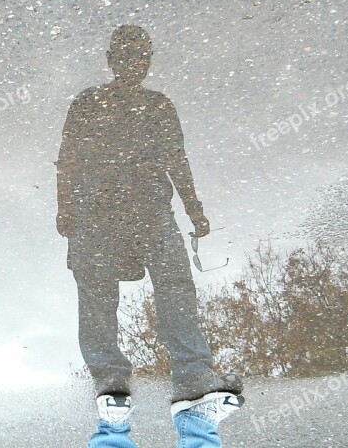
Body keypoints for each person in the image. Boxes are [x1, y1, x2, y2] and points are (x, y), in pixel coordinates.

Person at [55, 25, 244, 447]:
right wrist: (66, 209)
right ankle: (165, 380)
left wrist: (66, 211)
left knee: (114, 294)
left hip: (119, 211)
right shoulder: (130, 104)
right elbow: (69, 159)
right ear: (114, 60)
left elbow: (71, 161)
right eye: (131, 57)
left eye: (141, 57)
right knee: (130, 292)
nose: (136, 64)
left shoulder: (113, 103)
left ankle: (130, 384)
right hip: (125, 210)